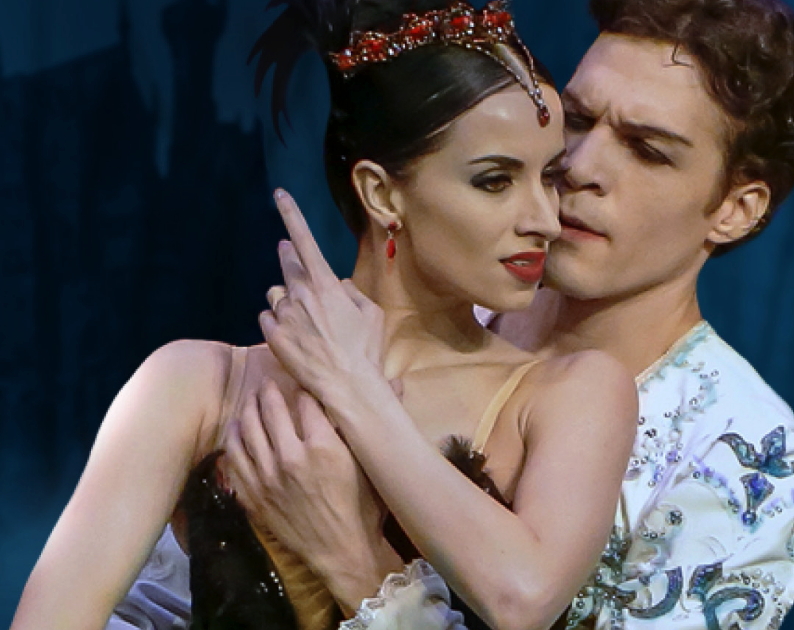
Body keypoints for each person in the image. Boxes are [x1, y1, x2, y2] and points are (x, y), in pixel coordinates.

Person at [10, 1, 638, 629]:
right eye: (496, 181)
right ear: (382, 193)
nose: (546, 220)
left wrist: (357, 392)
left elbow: (522, 599)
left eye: (550, 177)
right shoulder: (196, 384)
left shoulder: (573, 395)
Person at [215, 0, 794, 628]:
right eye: (578, 120)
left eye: (647, 150)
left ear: (735, 209)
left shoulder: (750, 460)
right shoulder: (427, 305)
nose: (579, 167)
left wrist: (355, 562)